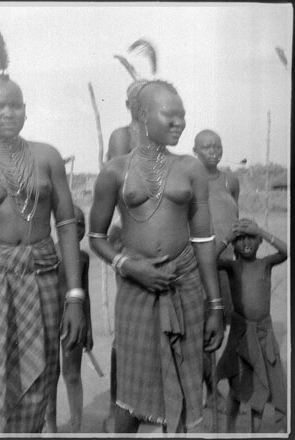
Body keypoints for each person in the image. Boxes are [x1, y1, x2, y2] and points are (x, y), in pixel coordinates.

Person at [89, 80, 224, 433]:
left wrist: (215, 306)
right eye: (171, 115)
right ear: (144, 115)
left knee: (182, 388)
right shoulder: (115, 171)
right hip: (137, 289)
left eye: (183, 116)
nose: (179, 123)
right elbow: (96, 237)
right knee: (130, 398)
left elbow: (204, 239)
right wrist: (129, 266)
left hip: (186, 286)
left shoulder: (191, 169)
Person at [0, 73, 86, 433]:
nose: (8, 112)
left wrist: (75, 296)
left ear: (26, 111)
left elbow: (66, 225)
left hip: (41, 279)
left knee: (40, 377)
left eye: (15, 105)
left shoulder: (47, 157)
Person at [215, 218, 287, 433]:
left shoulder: (265, 264)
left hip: (263, 334)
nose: (246, 242)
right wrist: (228, 236)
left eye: (251, 237)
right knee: (237, 383)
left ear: (259, 242)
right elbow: (210, 260)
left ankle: (254, 433)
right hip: (241, 334)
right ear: (234, 245)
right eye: (241, 239)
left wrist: (262, 231)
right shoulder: (233, 266)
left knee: (260, 384)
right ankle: (229, 430)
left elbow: (286, 251)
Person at [103, 79, 146, 432]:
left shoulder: (157, 137)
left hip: (154, 241)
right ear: (127, 102)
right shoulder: (123, 136)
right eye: (136, 97)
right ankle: (119, 405)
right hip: (130, 238)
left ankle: (142, 401)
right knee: (128, 326)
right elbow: (119, 183)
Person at [193, 129, 240, 412]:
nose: (213, 151)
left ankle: (218, 390)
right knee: (198, 330)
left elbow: (235, 218)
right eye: (207, 147)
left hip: (226, 268)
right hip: (198, 269)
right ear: (195, 150)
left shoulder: (230, 180)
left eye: (217, 146)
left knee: (223, 328)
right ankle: (206, 391)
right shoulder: (190, 180)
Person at [44, 205, 93, 433]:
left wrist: (89, 328)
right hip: (49, 320)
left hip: (74, 322)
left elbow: (85, 295)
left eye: (83, 225)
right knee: (50, 374)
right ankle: (51, 425)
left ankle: (76, 427)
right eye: (75, 224)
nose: (80, 229)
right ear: (60, 227)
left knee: (72, 374)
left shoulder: (83, 258)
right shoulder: (49, 254)